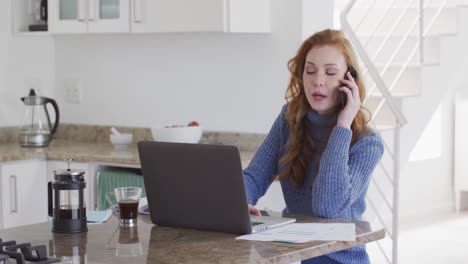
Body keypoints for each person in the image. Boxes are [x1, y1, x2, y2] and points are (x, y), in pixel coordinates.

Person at [243, 29, 384, 264]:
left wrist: (342, 125)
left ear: (349, 81)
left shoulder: (368, 143)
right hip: (298, 255)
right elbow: (255, 176)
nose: (318, 80)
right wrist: (241, 203)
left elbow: (327, 207)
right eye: (310, 70)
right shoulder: (288, 119)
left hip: (341, 260)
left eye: (330, 72)